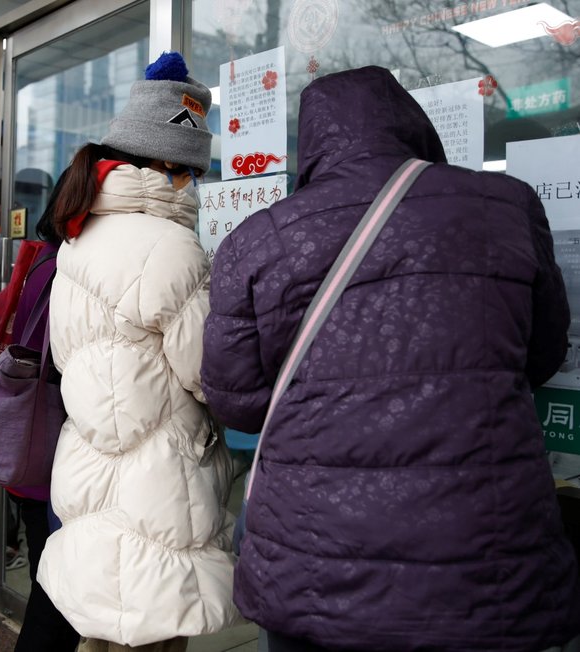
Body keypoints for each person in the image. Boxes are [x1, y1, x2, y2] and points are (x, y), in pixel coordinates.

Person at [201, 65, 580, 652]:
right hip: (484, 550)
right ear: (412, 125)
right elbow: (543, 353)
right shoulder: (505, 206)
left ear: (313, 142)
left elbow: (238, 402)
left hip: (313, 554)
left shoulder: (257, 239)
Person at [35, 51, 239, 651]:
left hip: (92, 463)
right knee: (150, 630)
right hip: (159, 479)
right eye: (191, 171)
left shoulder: (80, 237)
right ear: (167, 165)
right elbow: (208, 372)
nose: (195, 184)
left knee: (106, 626)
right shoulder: (173, 250)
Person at [2, 174, 81, 652]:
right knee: (55, 599)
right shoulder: (64, 271)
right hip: (50, 459)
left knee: (48, 587)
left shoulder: (42, 261)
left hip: (33, 457)